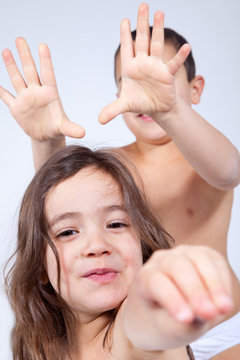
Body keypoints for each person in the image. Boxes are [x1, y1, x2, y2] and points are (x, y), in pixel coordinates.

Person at [1, 3, 240, 359]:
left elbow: (229, 172)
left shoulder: (204, 155)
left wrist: (172, 110)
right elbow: (60, 205)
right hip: (129, 317)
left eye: (164, 79)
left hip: (217, 321)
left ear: (195, 89)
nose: (148, 92)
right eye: (131, 82)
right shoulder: (117, 165)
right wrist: (46, 141)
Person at [5, 144, 234, 360]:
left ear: (141, 247)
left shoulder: (130, 333)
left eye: (116, 224)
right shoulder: (42, 345)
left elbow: (147, 320)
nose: (97, 246)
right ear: (39, 267)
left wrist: (165, 293)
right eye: (67, 232)